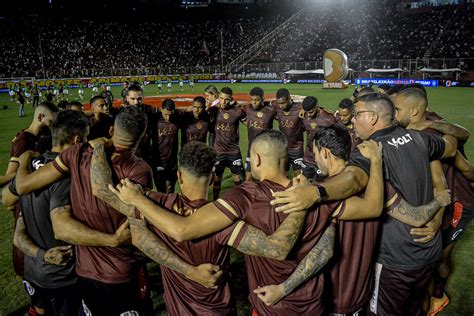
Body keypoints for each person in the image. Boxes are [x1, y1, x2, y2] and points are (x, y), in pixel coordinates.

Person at [108, 130, 384, 315]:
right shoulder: (314, 193)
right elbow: (372, 207)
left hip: (268, 307)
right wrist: (376, 162)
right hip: (312, 304)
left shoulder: (247, 196)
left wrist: (138, 200)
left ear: (259, 159)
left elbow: (183, 229)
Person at [271, 92, 457, 316]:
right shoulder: (418, 138)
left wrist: (316, 192)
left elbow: (353, 179)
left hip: (396, 259)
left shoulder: (370, 150)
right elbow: (451, 146)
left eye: (357, 114)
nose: (352, 119)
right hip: (429, 252)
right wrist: (437, 124)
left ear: (373, 117)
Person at [14, 107, 155, 315]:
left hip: (69, 271)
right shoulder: (138, 170)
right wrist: (114, 239)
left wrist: (24, 158)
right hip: (114, 273)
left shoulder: (73, 155)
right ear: (143, 138)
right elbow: (143, 222)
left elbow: (18, 190)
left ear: (110, 131)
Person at [392, 87, 473, 316]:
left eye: (397, 109)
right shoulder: (406, 131)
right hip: (437, 200)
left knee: (442, 256)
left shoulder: (435, 130)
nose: (393, 114)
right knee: (430, 255)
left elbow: (462, 144)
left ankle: (438, 295)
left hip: (458, 202)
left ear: (415, 111)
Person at [9, 110, 91, 315]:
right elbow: (62, 227)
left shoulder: (29, 171)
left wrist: (40, 254)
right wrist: (113, 239)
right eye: (86, 138)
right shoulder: (66, 177)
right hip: (62, 276)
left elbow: (8, 201)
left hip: (35, 268)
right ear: (77, 139)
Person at [208, 87, 246, 199]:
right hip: (218, 151)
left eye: (226, 99)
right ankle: (215, 201)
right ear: (218, 97)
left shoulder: (238, 111)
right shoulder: (213, 111)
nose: (223, 102)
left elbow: (250, 124)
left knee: (238, 180)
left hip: (233, 151)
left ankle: (240, 202)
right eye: (221, 98)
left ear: (231, 99)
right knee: (217, 179)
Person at [300, 96, 337, 181]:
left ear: (317, 107)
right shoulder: (303, 115)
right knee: (305, 183)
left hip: (322, 159)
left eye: (311, 112)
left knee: (321, 185)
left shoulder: (329, 119)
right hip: (308, 157)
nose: (309, 115)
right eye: (307, 112)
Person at [243, 87, 275, 181]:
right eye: (252, 100)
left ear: (262, 99)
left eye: (257, 100)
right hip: (252, 149)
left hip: (266, 150)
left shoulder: (270, 110)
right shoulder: (247, 109)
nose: (254, 102)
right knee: (248, 179)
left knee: (265, 178)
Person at [273, 88, 304, 176]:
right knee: (282, 173)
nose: (281, 106)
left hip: (296, 148)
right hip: (283, 147)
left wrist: (304, 109)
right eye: (279, 103)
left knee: (299, 174)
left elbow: (313, 106)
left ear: (290, 99)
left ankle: (300, 189)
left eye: (283, 103)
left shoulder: (299, 107)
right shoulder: (275, 106)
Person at [151, 99, 180, 193]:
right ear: (161, 109)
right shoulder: (154, 120)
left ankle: (169, 206)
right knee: (161, 189)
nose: (168, 117)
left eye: (170, 114)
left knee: (171, 187)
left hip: (172, 160)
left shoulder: (177, 118)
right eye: (166, 114)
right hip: (158, 160)